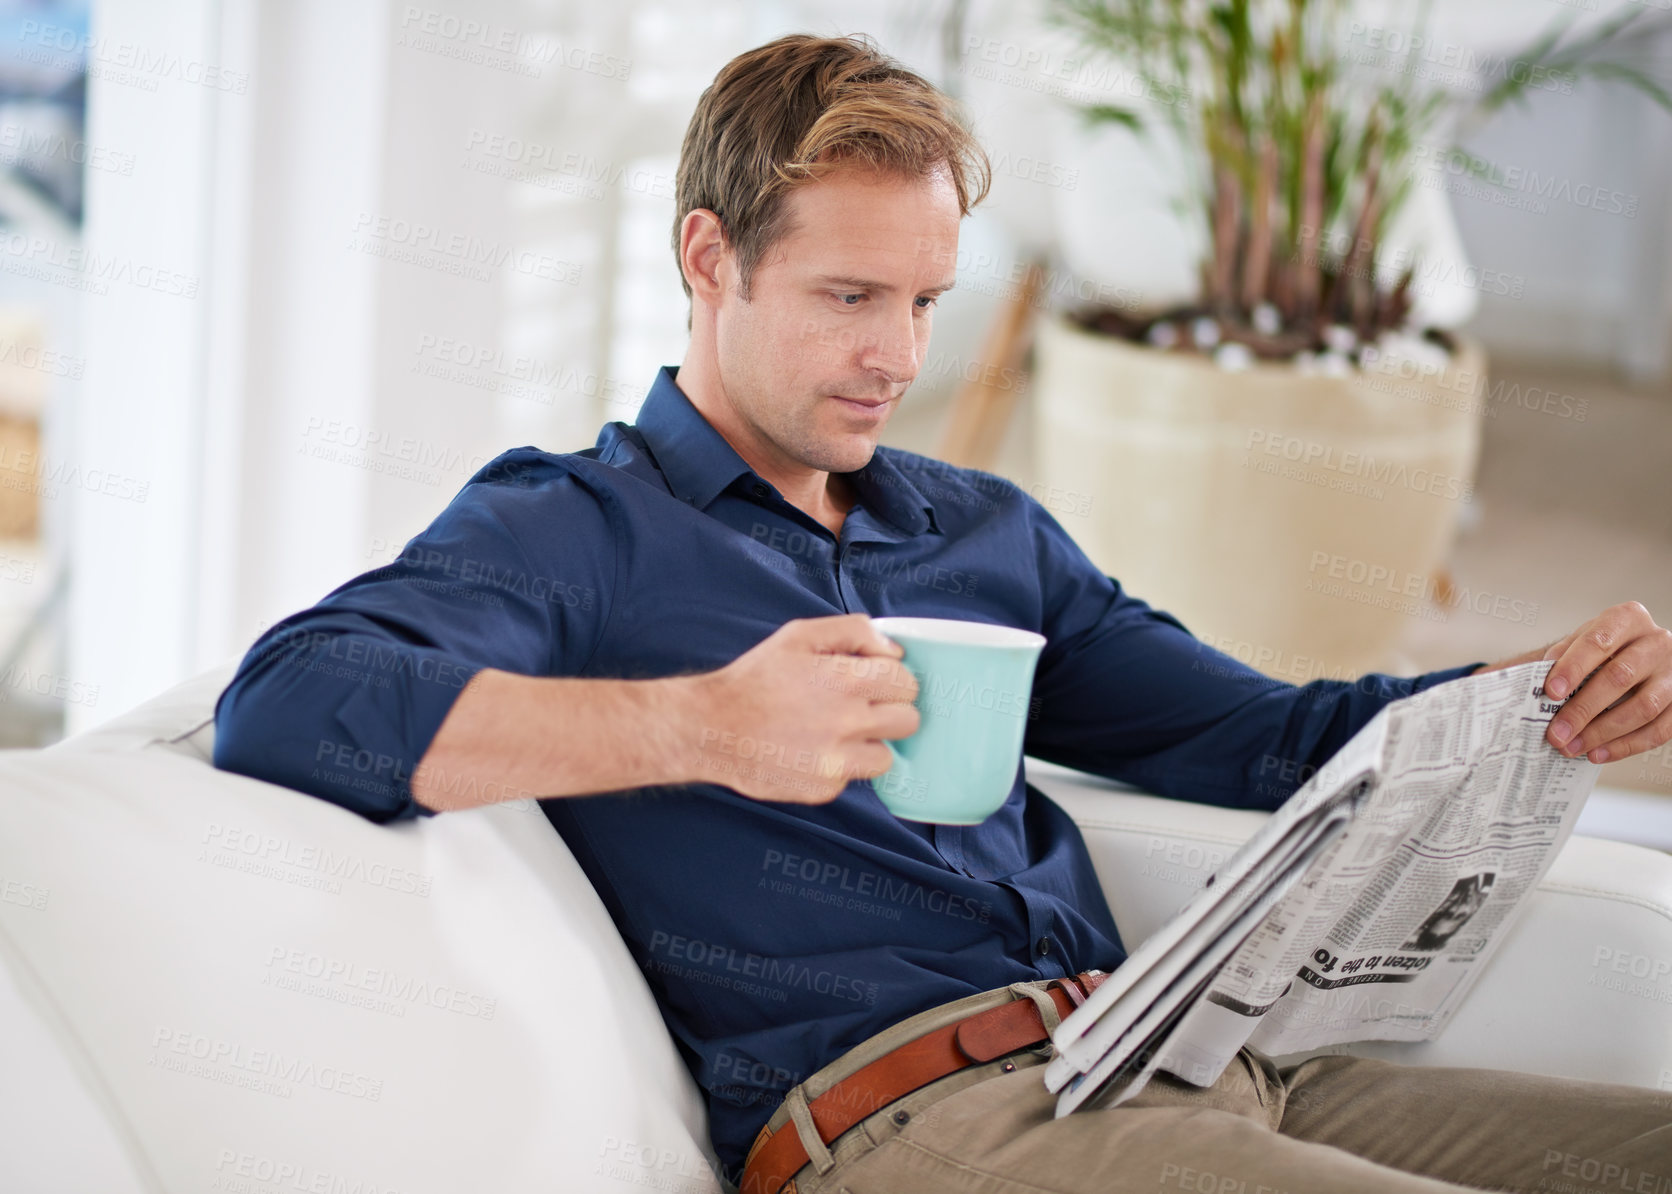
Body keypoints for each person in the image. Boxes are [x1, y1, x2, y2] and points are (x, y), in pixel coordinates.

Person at [213, 32, 1672, 1194]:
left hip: (1172, 1053)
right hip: (920, 1126)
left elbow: (1262, 737)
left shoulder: (980, 530)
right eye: (850, 296)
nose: (897, 355)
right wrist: (704, 721)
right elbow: (289, 701)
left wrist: (1535, 689)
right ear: (709, 259)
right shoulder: (580, 529)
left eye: (924, 300)